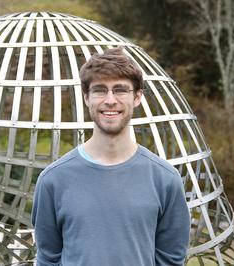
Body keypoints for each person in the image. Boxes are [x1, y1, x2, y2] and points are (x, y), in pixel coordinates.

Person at [31, 47, 190, 266]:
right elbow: (48, 259)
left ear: (137, 97)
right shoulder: (53, 180)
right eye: (100, 90)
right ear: (87, 97)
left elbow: (171, 261)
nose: (110, 100)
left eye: (120, 90)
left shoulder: (165, 180)